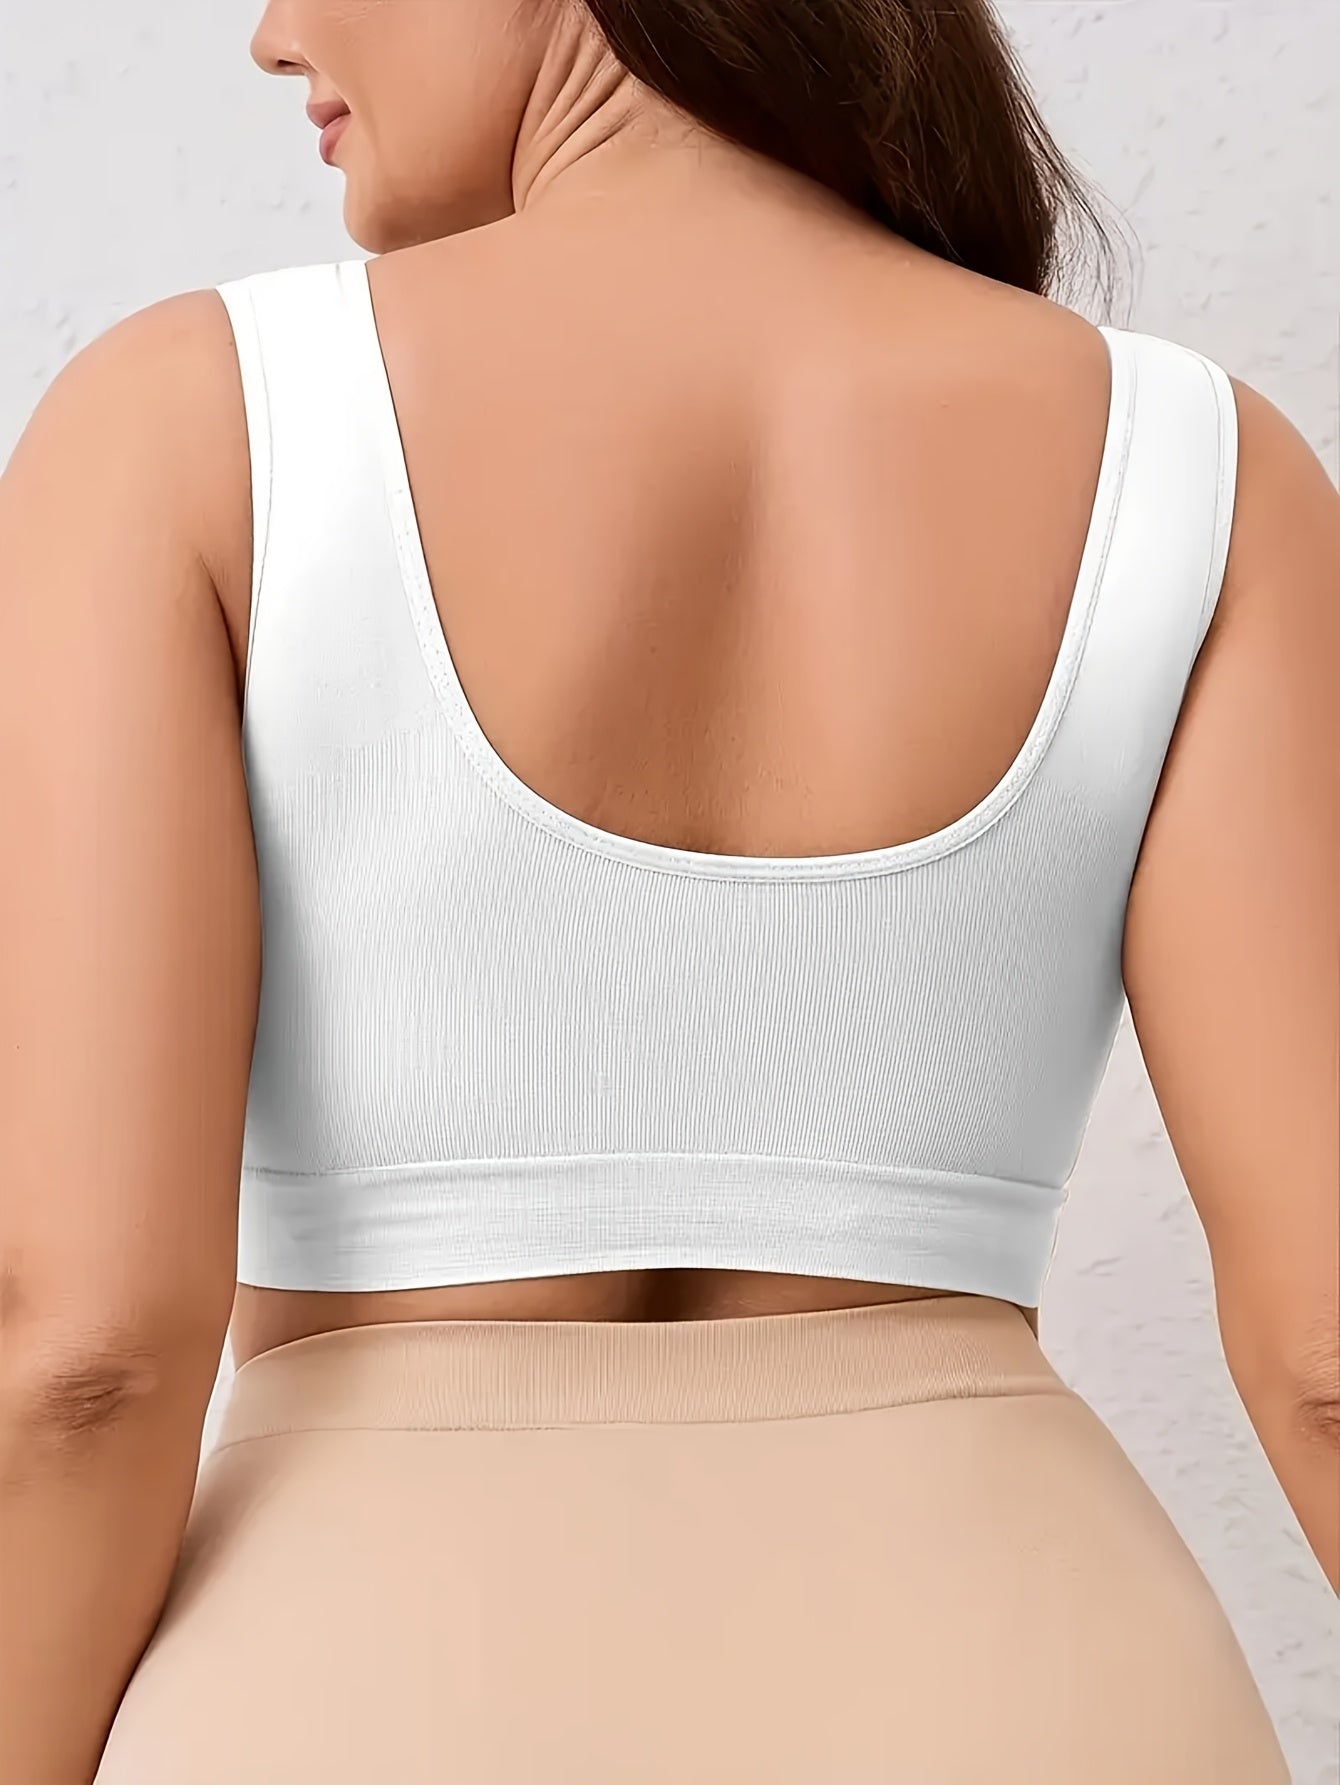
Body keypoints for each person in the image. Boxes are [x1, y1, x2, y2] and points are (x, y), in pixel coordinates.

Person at [0, 0, 1334, 1779]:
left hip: (365, 1689)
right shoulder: (1207, 469)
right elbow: (1328, 1351)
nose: (273, 33)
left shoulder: (188, 425)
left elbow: (83, 1359)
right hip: (1047, 1682)